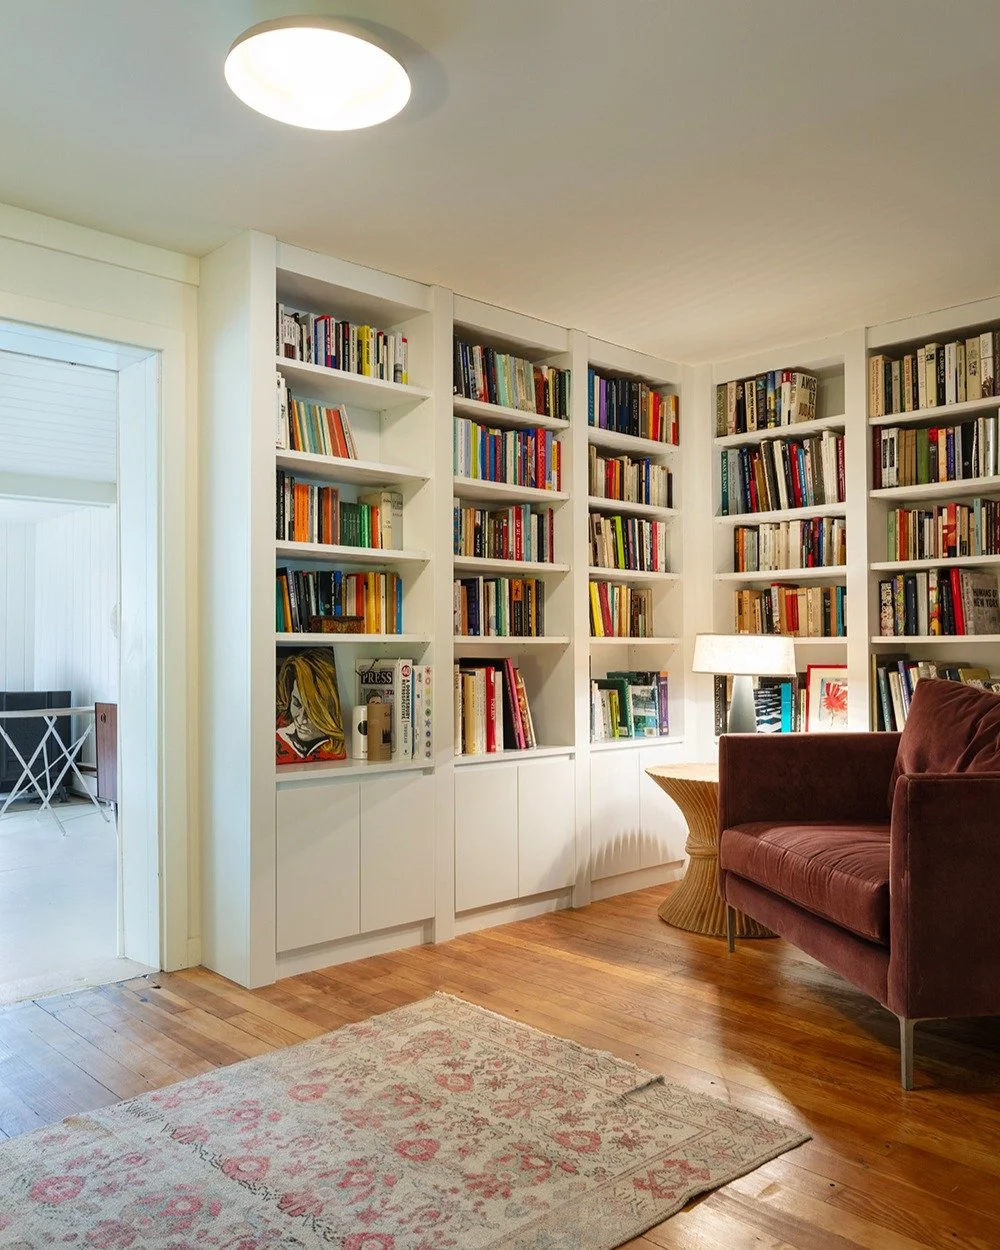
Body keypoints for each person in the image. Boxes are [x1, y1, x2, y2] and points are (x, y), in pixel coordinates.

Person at [275, 649, 346, 763]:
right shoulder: (276, 737)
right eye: (296, 703)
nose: (301, 720)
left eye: (313, 711)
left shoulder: (341, 748)